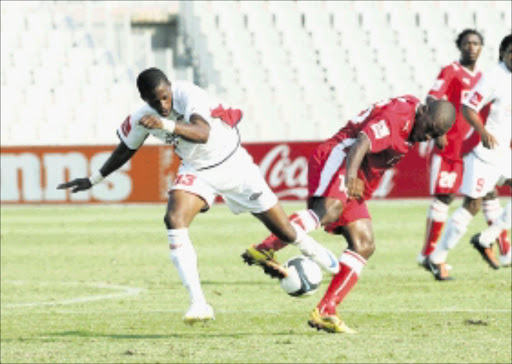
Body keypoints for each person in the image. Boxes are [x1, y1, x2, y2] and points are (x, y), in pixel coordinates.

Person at [57, 67, 339, 325]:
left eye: (165, 98)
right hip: (198, 171)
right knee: (174, 218)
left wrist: (163, 124)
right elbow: (125, 149)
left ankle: (314, 252)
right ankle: (199, 303)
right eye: (155, 102)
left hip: (234, 165)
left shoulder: (189, 94)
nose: (163, 106)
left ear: (170, 87)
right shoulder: (142, 118)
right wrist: (94, 179)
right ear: (143, 99)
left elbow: (202, 133)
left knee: (285, 232)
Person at [242, 95, 456, 333]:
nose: (428, 138)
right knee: (328, 211)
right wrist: (351, 176)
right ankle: (265, 248)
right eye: (429, 130)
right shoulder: (398, 116)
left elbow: (434, 104)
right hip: (342, 158)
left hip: (362, 173)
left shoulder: (423, 113)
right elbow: (361, 143)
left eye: (433, 134)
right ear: (423, 113)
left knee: (364, 244)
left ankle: (326, 310)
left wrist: (440, 132)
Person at [417, 29, 510, 269]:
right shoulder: (462, 72)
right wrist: (439, 131)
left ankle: (499, 245)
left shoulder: (482, 75)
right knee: (454, 200)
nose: (471, 47)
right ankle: (431, 255)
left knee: (487, 197)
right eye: (467, 42)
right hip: (463, 147)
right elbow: (444, 101)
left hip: (485, 148)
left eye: (476, 43)